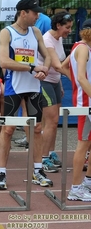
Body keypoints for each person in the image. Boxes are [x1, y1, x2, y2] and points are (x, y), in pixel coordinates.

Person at [0, 0, 51, 190]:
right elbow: (4, 61)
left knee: (36, 129)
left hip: (34, 86)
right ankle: (1, 172)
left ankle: (38, 170)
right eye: (35, 13)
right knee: (8, 130)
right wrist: (33, 67)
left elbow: (47, 55)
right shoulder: (7, 32)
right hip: (14, 87)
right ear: (23, 13)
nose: (38, 16)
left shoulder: (35, 32)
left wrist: (45, 69)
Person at [40, 11, 73, 173]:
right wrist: (77, 80)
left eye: (71, 28)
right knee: (51, 121)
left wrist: (59, 83)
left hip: (54, 82)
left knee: (54, 121)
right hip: (43, 82)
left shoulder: (58, 38)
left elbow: (60, 67)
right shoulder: (47, 40)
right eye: (67, 27)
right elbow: (58, 66)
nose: (69, 31)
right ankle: (42, 159)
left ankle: (50, 153)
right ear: (58, 25)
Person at [62, 19, 91, 201]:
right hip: (86, 103)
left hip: (85, 99)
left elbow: (63, 66)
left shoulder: (78, 47)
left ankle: (87, 181)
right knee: (83, 144)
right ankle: (75, 188)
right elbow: (81, 77)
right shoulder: (83, 49)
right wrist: (79, 86)